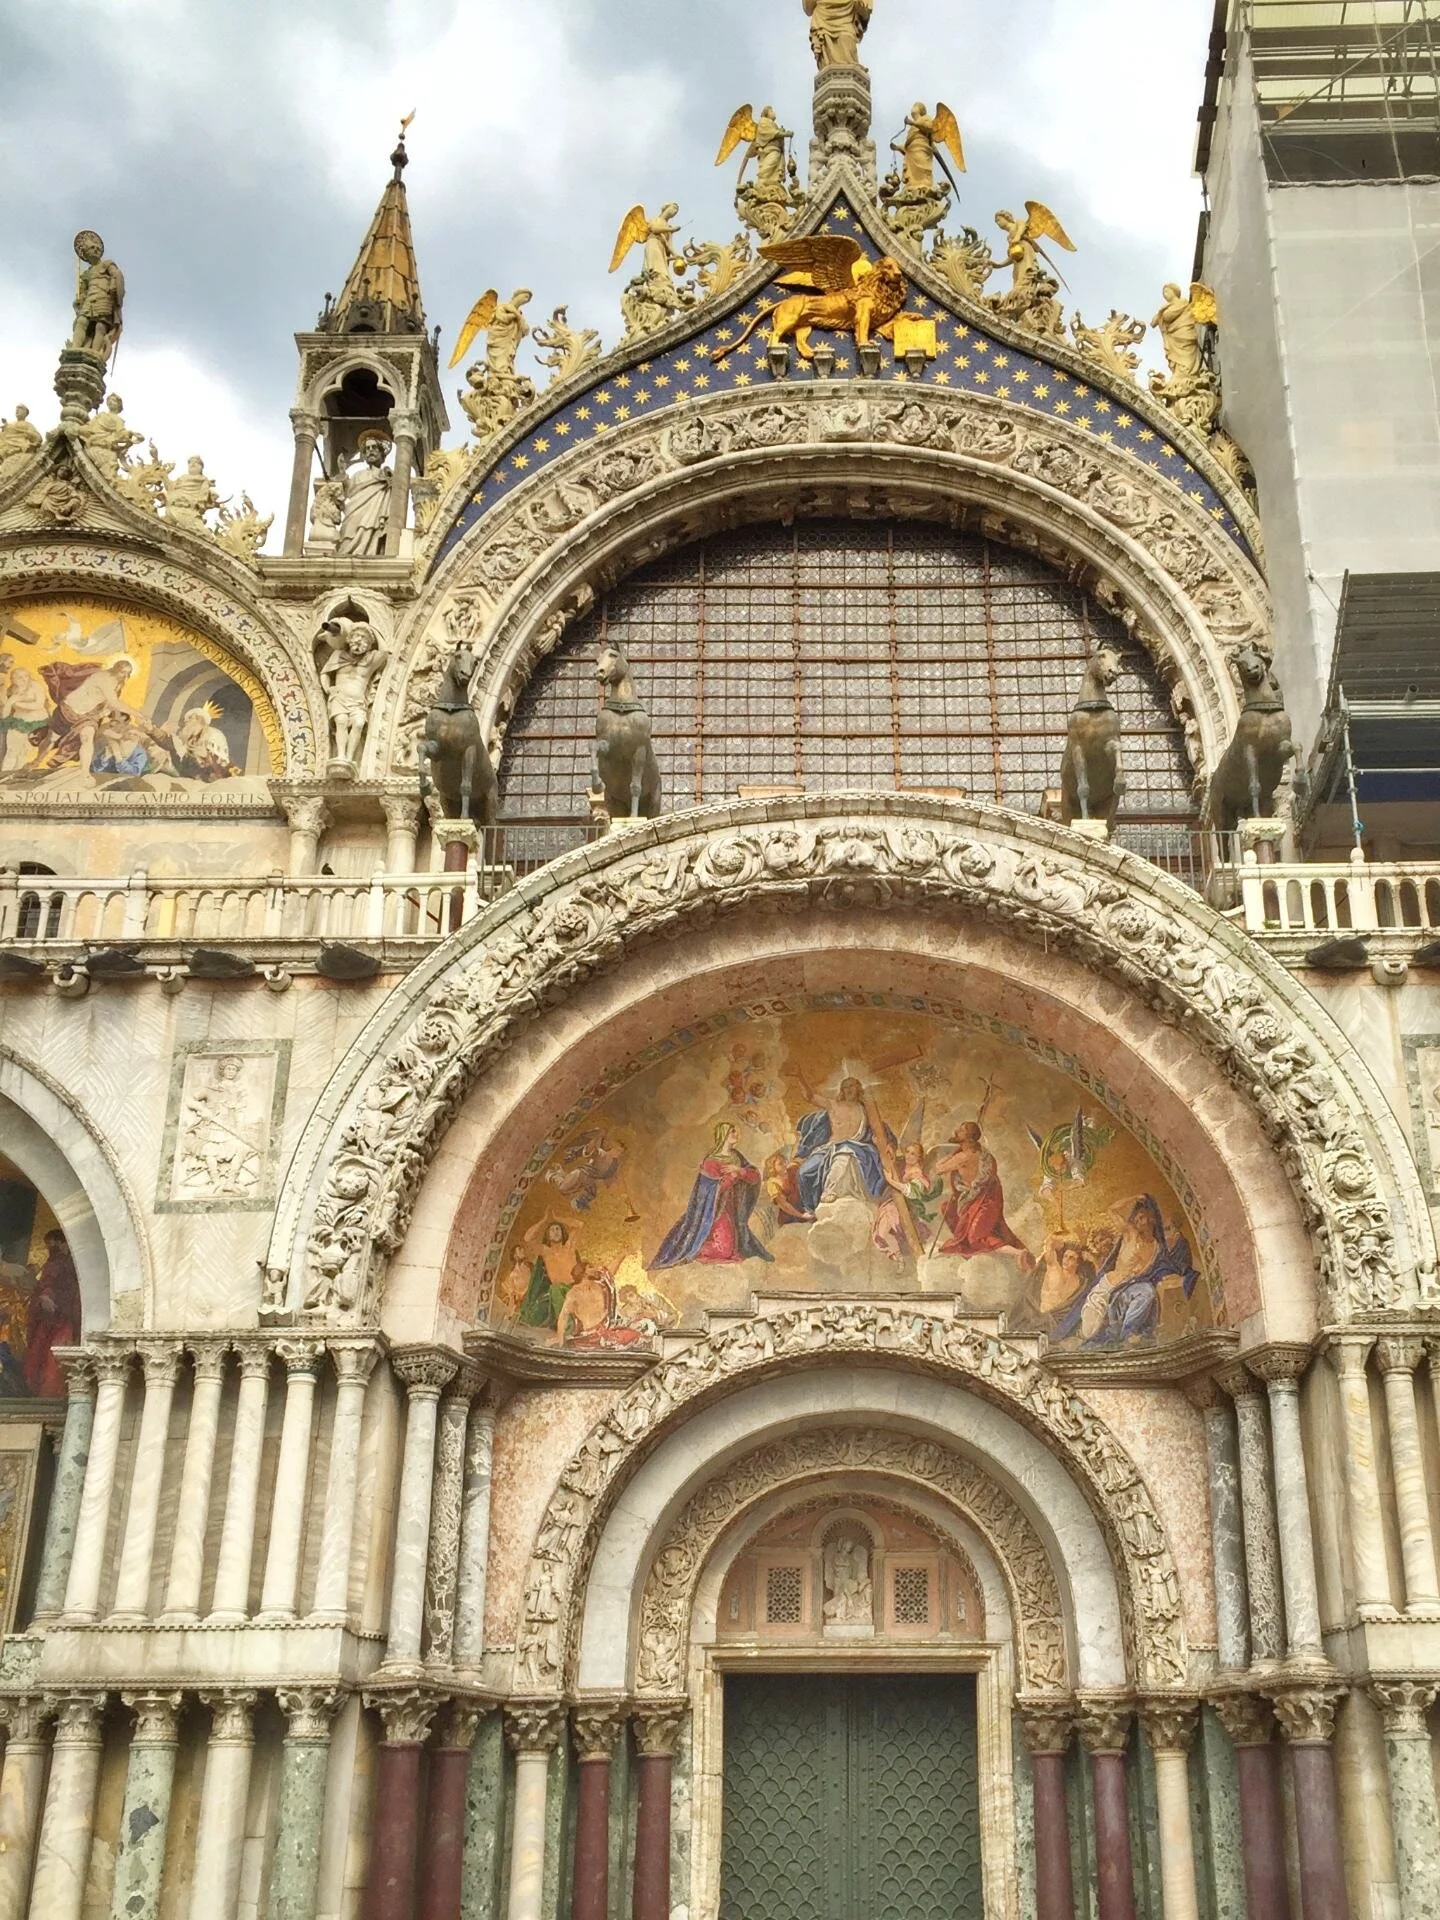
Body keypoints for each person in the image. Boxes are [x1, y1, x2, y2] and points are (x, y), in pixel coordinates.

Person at [1053, 1196, 1198, 1346]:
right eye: (1135, 1219)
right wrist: (1134, 1198)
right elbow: (1112, 1210)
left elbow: (1161, 1270)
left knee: (1147, 1291)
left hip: (1129, 1291)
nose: (1137, 1221)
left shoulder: (1157, 1248)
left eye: (1141, 1217)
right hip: (1107, 1289)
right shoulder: (1130, 1235)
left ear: (1152, 1218)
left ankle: (1127, 1335)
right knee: (1088, 1331)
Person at [651, 1123, 772, 1268]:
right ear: (723, 1135)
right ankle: (693, 1249)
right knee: (724, 1251)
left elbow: (754, 1177)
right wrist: (733, 1177)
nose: (735, 1134)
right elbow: (709, 1191)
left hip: (733, 1209)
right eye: (731, 1132)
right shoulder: (711, 1162)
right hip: (714, 1211)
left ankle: (699, 1245)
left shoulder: (736, 1157)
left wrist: (740, 1171)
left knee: (736, 1247)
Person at [794, 1075, 892, 1215]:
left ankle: (830, 1190)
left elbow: (879, 1131)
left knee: (843, 1157)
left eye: (851, 1086)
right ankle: (810, 1208)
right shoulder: (833, 1105)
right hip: (830, 1148)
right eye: (845, 1087)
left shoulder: (866, 1109)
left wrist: (887, 1146)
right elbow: (810, 1096)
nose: (848, 1090)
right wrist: (800, 1077)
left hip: (854, 1147)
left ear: (858, 1088)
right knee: (804, 1171)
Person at [934, 1122, 1031, 1263]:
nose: (956, 1131)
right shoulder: (979, 1152)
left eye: (961, 1130)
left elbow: (939, 1168)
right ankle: (965, 1244)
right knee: (947, 1208)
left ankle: (1018, 1253)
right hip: (979, 1198)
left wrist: (953, 1153)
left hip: (982, 1201)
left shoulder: (963, 1156)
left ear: (968, 1137)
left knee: (976, 1238)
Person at [23, 1228, 80, 1397]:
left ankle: (53, 1393)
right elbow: (46, 1283)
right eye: (50, 1248)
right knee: (41, 1355)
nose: (55, 1250)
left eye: (57, 1245)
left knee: (55, 1356)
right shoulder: (53, 1263)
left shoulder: (71, 1262)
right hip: (50, 1319)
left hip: (66, 1317)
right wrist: (45, 1296)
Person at [515, 1219, 578, 1328]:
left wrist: (557, 1217)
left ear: (563, 1233)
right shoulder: (545, 1251)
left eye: (558, 1229)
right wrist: (543, 1220)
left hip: (572, 1288)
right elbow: (527, 1238)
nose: (556, 1231)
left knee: (556, 1289)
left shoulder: (569, 1246)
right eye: (552, 1230)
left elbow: (579, 1225)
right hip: (555, 1292)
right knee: (535, 1312)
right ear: (548, 1235)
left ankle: (568, 1328)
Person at [336, 438, 393, 557]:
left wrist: (389, 478)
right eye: (367, 449)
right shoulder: (358, 475)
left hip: (375, 512)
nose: (370, 451)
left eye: (374, 448)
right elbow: (346, 490)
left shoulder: (386, 474)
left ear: (381, 453)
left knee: (371, 529)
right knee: (349, 531)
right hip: (354, 511)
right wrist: (342, 471)